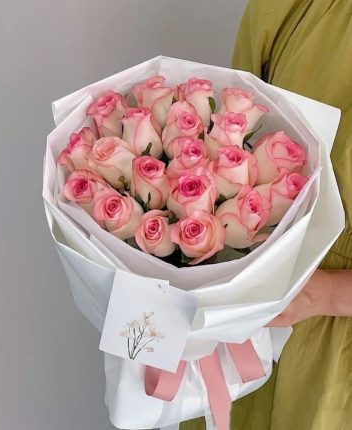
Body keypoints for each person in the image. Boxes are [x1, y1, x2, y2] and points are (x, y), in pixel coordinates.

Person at [181, 1, 352, 429]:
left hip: (335, 368)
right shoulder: (285, 8)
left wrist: (328, 294)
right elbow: (225, 152)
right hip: (252, 334)